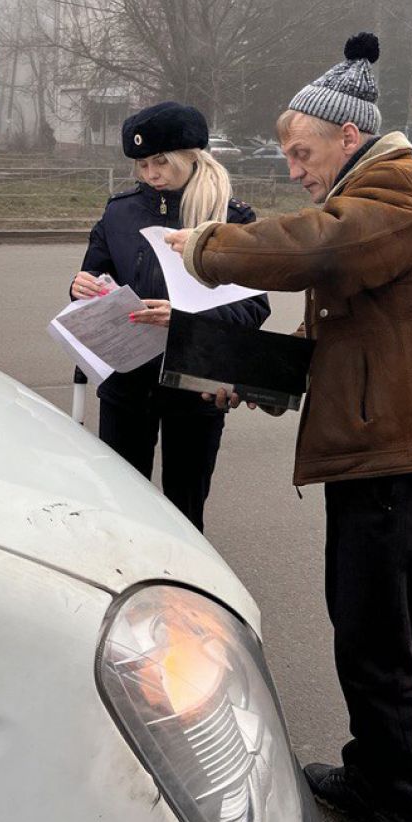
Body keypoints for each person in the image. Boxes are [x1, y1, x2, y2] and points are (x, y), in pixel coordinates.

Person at [165, 34, 412, 822]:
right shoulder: (381, 197)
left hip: (397, 454)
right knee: (363, 627)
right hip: (381, 446)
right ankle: (372, 772)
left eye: (301, 151)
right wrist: (259, 377)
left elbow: (320, 247)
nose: (293, 168)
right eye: (287, 154)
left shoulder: (399, 190)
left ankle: (411, 816)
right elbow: (358, 334)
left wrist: (208, 247)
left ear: (347, 137)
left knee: (377, 639)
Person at [70, 101, 269, 532]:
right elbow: (97, 272)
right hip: (126, 378)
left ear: (191, 157)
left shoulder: (231, 218)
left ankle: (184, 588)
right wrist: (81, 287)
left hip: (196, 384)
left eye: (161, 161)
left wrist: (183, 317)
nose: (150, 174)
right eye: (142, 164)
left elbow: (254, 307)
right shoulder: (119, 211)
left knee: (186, 503)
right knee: (123, 501)